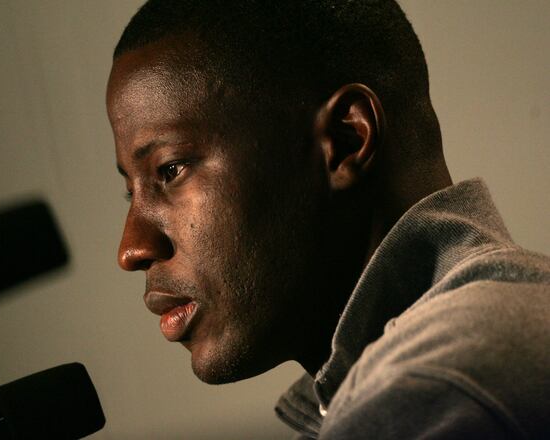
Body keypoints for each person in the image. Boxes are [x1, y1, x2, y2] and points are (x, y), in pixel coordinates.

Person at [106, 0, 550, 438]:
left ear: (345, 140)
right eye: (131, 191)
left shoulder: (432, 390)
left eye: (170, 170)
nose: (132, 248)